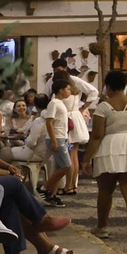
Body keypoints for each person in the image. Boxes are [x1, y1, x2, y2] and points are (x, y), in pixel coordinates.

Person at [85, 70, 127, 242]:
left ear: (109, 87)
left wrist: (86, 158)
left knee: (106, 190)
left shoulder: (104, 107)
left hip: (110, 146)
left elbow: (97, 135)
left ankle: (102, 227)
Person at [40, 74, 73, 205]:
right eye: (68, 89)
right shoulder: (54, 103)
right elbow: (49, 122)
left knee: (59, 168)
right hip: (57, 138)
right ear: (61, 90)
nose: (70, 91)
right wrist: (54, 140)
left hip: (61, 138)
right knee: (66, 166)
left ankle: (51, 195)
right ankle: (44, 188)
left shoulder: (60, 103)